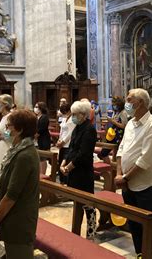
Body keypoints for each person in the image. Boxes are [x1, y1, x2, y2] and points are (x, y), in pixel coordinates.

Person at [115, 88, 152, 259]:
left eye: (130, 100)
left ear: (141, 103)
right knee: (135, 226)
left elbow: (145, 159)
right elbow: (121, 149)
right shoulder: (130, 123)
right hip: (126, 184)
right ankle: (141, 255)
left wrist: (124, 177)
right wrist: (118, 173)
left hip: (144, 185)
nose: (127, 103)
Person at [0, 110, 40, 259]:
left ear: (20, 130)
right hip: (13, 217)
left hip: (19, 219)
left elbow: (12, 195)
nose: (6, 129)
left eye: (9, 126)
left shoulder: (25, 155)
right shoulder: (18, 150)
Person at [60, 100, 97, 239]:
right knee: (77, 201)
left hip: (84, 171)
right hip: (74, 169)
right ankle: (76, 231)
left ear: (83, 114)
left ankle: (91, 232)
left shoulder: (89, 129)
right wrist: (64, 162)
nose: (73, 116)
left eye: (75, 114)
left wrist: (68, 167)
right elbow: (71, 148)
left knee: (88, 203)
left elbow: (83, 153)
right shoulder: (77, 127)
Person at [99, 96, 128, 164]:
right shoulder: (117, 112)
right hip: (113, 135)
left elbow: (124, 126)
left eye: (114, 104)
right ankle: (111, 168)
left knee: (108, 153)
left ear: (118, 104)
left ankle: (112, 168)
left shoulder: (123, 113)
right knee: (105, 152)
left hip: (119, 136)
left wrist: (113, 121)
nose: (112, 105)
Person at [56, 103, 75, 184]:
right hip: (62, 143)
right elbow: (62, 131)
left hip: (68, 144)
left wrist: (63, 142)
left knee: (66, 163)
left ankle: (67, 183)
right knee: (60, 162)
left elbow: (70, 133)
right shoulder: (64, 118)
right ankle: (62, 182)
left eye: (65, 112)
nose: (64, 114)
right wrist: (59, 141)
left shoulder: (72, 119)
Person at [34, 102, 51, 174]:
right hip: (37, 140)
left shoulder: (44, 117)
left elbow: (41, 129)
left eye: (37, 107)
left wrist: (34, 135)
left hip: (43, 140)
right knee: (38, 158)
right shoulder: (37, 117)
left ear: (41, 108)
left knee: (43, 158)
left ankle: (42, 174)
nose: (35, 108)